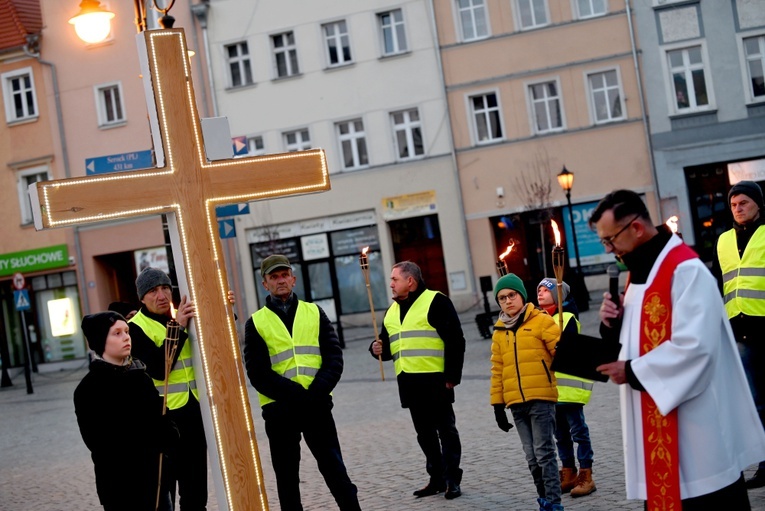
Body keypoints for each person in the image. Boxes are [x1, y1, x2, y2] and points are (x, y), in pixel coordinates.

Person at [593, 189, 765, 509]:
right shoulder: (641, 271)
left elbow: (696, 349)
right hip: (657, 422)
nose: (609, 249)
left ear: (636, 228)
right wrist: (612, 322)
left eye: (610, 239)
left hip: (697, 436)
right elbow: (638, 336)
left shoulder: (685, 269)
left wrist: (631, 371)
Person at [243, 255, 361, 511]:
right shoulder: (256, 323)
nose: (280, 280)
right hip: (280, 412)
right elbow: (258, 373)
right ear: (265, 284)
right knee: (287, 481)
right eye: (274, 277)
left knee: (335, 470)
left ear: (293, 279)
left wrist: (317, 391)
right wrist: (295, 394)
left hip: (316, 406)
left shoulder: (314, 312)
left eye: (284, 275)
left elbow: (333, 357)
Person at [370, 261, 465, 500]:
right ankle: (436, 478)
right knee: (424, 435)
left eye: (395, 279)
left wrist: (452, 376)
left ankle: (452, 478)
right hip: (409, 384)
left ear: (409, 281)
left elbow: (455, 340)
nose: (390, 284)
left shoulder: (437, 301)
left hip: (436, 380)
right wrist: (376, 349)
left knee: (446, 431)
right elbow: (389, 349)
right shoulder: (390, 312)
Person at [74, 311, 176, 511]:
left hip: (156, 480)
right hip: (120, 486)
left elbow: (159, 417)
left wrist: (168, 431)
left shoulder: (140, 376)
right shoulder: (89, 389)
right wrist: (147, 435)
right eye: (117, 333)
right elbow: (98, 441)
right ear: (100, 340)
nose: (126, 337)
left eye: (127, 331)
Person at [128, 267, 206, 511]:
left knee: (196, 495)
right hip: (163, 422)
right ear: (141, 297)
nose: (161, 295)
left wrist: (226, 306)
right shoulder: (134, 328)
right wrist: (178, 327)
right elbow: (160, 369)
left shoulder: (182, 317)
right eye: (153, 290)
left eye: (164, 288)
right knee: (165, 498)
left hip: (193, 413)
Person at [491, 274, 563, 511]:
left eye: (512, 295)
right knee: (531, 458)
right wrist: (497, 405)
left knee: (544, 454)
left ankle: (554, 502)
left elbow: (560, 354)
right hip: (515, 403)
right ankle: (543, 498)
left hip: (540, 398)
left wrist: (562, 347)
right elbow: (497, 369)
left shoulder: (541, 321)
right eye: (502, 298)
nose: (508, 301)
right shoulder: (500, 331)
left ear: (521, 295)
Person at [711, 180, 765, 488]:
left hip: (764, 325)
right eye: (733, 204)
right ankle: (764, 461)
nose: (738, 208)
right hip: (740, 330)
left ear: (758, 204)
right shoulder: (722, 242)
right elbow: (720, 284)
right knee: (755, 401)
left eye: (743, 202)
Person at [537, 278, 596, 497]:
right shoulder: (539, 319)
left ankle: (586, 473)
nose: (541, 293)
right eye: (539, 290)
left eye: (546, 290)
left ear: (559, 296)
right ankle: (568, 471)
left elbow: (565, 346)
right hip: (551, 388)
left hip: (569, 389)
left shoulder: (567, 317)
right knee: (560, 434)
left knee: (578, 431)